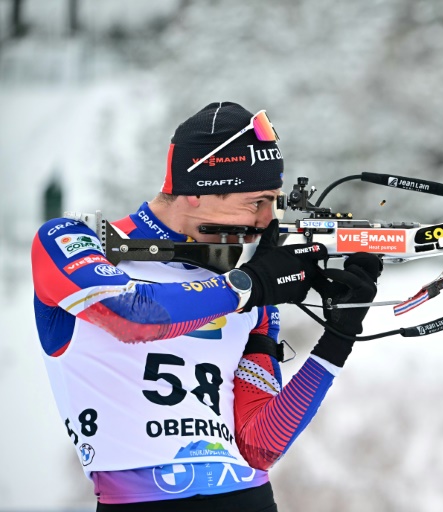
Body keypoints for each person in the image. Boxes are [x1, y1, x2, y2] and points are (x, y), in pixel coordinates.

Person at [31, 102, 381, 511]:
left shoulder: (244, 290)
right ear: (197, 191)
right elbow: (130, 315)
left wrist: (338, 338)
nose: (268, 221)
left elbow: (258, 447)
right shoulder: (73, 240)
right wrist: (251, 285)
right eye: (257, 202)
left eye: (275, 203)